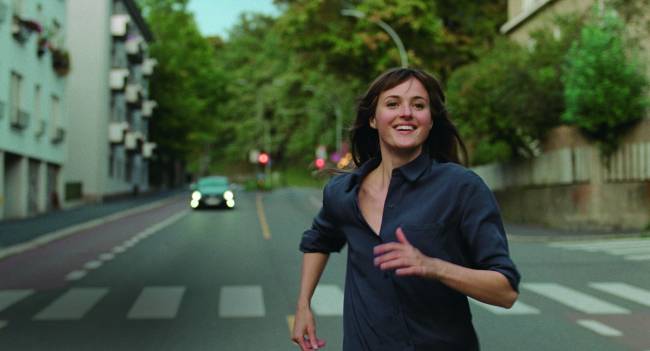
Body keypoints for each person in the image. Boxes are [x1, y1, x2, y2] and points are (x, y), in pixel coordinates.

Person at [292, 68, 520, 351]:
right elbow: (319, 240)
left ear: (430, 120)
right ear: (373, 119)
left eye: (418, 105)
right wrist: (304, 305)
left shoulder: (461, 188)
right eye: (392, 103)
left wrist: (432, 266)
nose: (406, 113)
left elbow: (505, 291)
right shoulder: (343, 192)